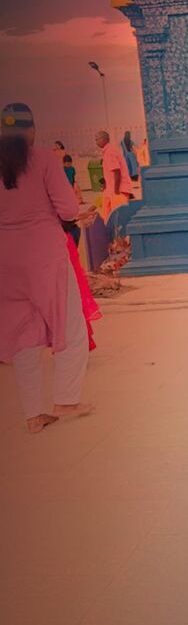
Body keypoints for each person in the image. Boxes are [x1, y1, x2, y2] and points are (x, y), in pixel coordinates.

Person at [0, 103, 94, 433]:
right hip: (44, 256)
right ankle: (66, 399)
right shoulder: (43, 159)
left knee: (22, 335)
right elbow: (68, 209)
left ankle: (33, 415)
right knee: (69, 324)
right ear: (31, 130)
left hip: (6, 260)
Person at [95, 130, 133, 220]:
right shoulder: (108, 151)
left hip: (117, 191)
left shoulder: (110, 152)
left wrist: (116, 192)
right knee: (107, 218)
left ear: (104, 139)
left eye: (97, 139)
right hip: (110, 191)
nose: (96, 142)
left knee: (119, 219)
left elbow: (117, 172)